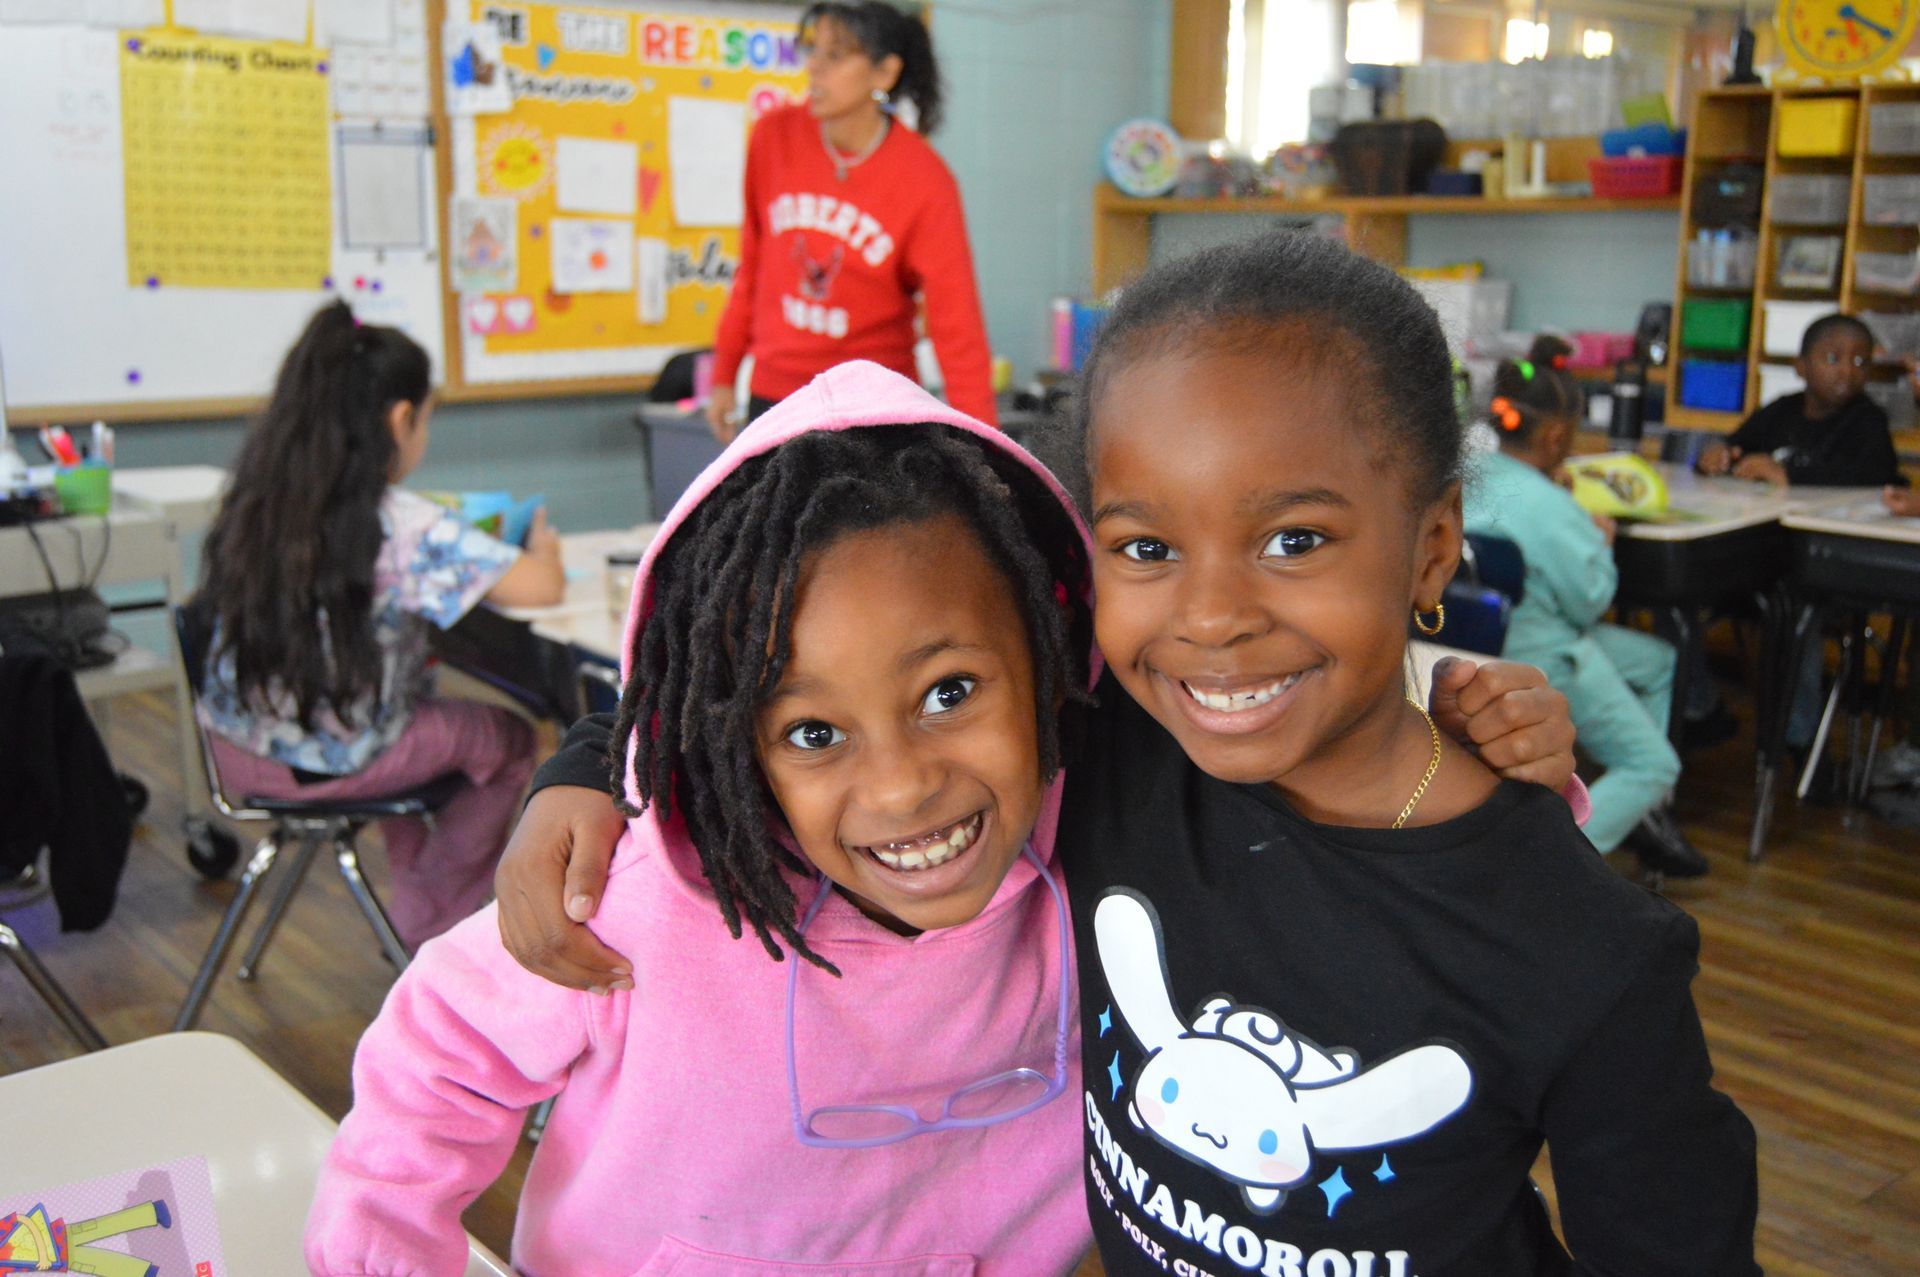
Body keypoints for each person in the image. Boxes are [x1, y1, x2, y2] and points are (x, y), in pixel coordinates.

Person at [495, 241, 1760, 1275]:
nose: (1208, 615)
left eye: (1294, 540)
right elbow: (811, 691)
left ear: (1432, 549)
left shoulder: (1587, 949)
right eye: (1146, 550)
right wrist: (592, 761)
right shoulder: (1106, 757)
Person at [308, 365, 1101, 1274]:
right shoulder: (636, 895)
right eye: (812, 731)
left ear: (1048, 653)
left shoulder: (1107, 856)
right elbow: (437, 1059)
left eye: (947, 692)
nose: (899, 787)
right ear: (738, 743)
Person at [195, 301, 563, 949]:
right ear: (400, 419)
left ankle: (417, 888)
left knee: (418, 707)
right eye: (425, 421)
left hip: (235, 752)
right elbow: (540, 587)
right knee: (508, 740)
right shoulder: (400, 522)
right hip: (325, 759)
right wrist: (544, 548)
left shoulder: (259, 498)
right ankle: (432, 918)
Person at [705, 1, 994, 442]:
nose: (814, 68)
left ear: (884, 73)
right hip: (776, 399)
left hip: (873, 411)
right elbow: (752, 266)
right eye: (812, 51)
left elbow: (958, 328)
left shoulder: (925, 180)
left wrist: (986, 451)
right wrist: (724, 373)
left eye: (835, 56)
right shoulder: (773, 138)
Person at [1466, 357, 1706, 876]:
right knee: (1653, 764)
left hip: (1474, 647)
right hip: (1542, 653)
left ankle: (1645, 817)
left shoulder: (1467, 477)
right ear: (1555, 437)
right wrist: (1601, 541)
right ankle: (1552, 870)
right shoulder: (1552, 507)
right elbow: (1589, 601)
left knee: (1659, 661)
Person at [1697, 312, 1898, 487]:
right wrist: (1718, 454)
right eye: (1832, 359)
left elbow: (1875, 475)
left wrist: (1786, 474)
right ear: (1801, 366)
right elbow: (1736, 444)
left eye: (1859, 361)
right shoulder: (1781, 410)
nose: (1847, 371)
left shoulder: (1869, 419)